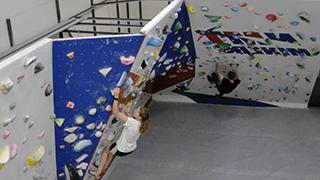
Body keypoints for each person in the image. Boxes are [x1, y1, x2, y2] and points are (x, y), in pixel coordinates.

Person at [95, 88, 150, 180]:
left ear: (140, 117)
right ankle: (105, 169)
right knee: (111, 152)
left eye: (137, 111)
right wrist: (126, 110)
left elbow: (116, 112)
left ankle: (98, 174)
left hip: (122, 149)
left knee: (105, 151)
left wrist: (116, 97)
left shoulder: (133, 123)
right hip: (129, 148)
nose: (135, 110)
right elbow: (130, 119)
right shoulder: (140, 124)